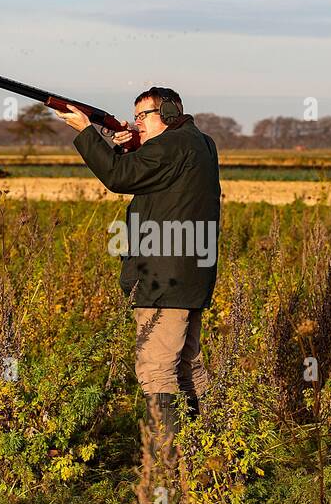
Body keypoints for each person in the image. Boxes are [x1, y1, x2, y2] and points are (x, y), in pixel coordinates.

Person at [53, 87, 221, 460]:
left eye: (143, 116)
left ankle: (172, 467)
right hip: (191, 273)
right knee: (187, 364)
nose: (137, 122)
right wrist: (130, 145)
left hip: (163, 276)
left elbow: (118, 177)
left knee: (157, 369)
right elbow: (152, 175)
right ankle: (215, 451)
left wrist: (86, 131)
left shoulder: (171, 146)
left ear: (170, 112)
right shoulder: (199, 143)